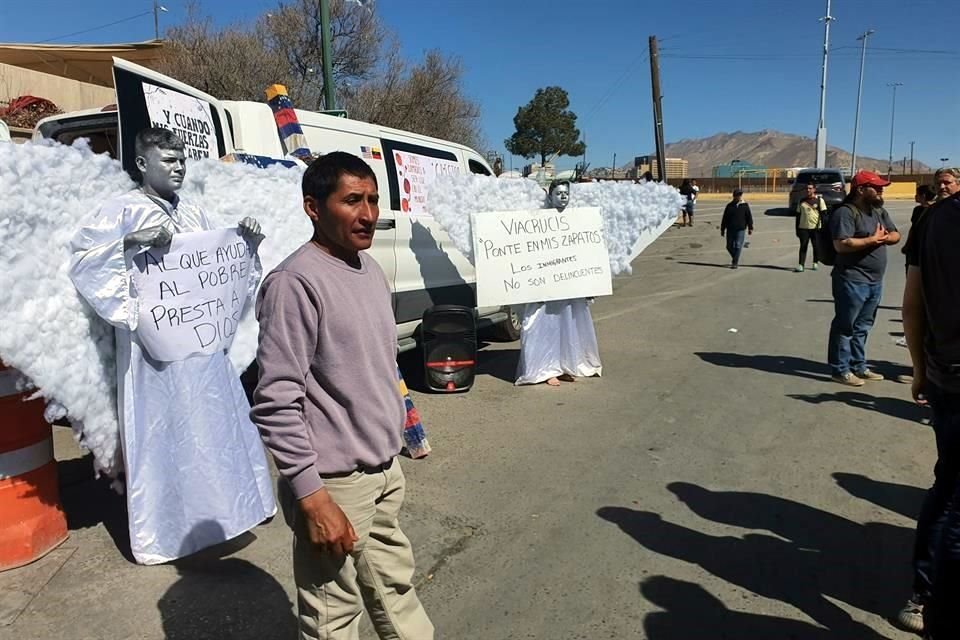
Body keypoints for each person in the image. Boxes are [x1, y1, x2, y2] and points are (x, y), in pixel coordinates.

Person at [68, 127, 276, 564]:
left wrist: (246, 245)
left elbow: (219, 274)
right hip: (154, 357)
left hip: (202, 353)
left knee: (215, 429)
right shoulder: (121, 211)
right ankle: (170, 529)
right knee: (166, 437)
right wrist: (130, 243)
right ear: (143, 164)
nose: (179, 167)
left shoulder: (195, 214)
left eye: (182, 159)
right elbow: (85, 262)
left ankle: (230, 513)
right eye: (168, 160)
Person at [250, 152, 433, 640]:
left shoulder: (369, 269)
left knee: (396, 593)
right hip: (334, 484)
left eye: (373, 200)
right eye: (352, 200)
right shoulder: (294, 284)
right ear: (313, 207)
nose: (368, 214)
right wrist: (313, 497)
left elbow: (379, 368)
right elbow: (276, 402)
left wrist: (405, 434)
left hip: (383, 470)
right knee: (333, 617)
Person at [897, 167, 960, 637]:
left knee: (949, 489)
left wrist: (919, 368)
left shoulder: (932, 218)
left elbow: (912, 303)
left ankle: (924, 594)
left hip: (943, 376)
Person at [515, 179, 603, 386]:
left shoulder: (578, 220)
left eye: (566, 193)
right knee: (545, 326)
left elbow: (586, 251)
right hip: (545, 286)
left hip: (569, 285)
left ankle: (565, 365)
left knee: (568, 325)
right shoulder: (537, 221)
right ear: (550, 196)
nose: (563, 197)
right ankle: (545, 369)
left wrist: (591, 281)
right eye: (559, 193)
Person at [826, 170, 900, 387]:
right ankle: (840, 370)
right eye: (876, 187)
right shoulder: (846, 213)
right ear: (860, 190)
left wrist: (886, 238)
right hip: (851, 279)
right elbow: (841, 244)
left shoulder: (878, 211)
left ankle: (859, 366)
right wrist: (872, 240)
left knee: (863, 326)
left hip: (875, 281)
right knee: (845, 326)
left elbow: (896, 234)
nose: (881, 191)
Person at [794, 182, 827, 272]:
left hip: (815, 228)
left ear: (814, 189)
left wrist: (823, 228)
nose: (808, 190)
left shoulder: (819, 200)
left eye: (810, 188)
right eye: (807, 188)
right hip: (803, 228)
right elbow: (798, 216)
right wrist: (797, 229)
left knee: (816, 246)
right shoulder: (801, 201)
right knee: (803, 246)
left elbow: (824, 215)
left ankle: (815, 262)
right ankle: (801, 265)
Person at [720, 188, 753, 269]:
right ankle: (735, 257)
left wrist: (750, 227)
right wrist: (722, 229)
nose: (739, 196)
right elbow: (725, 218)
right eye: (738, 195)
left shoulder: (745, 205)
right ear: (734, 196)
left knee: (738, 245)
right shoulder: (729, 206)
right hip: (730, 229)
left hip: (740, 229)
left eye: (740, 195)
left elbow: (749, 217)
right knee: (729, 246)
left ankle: (735, 262)